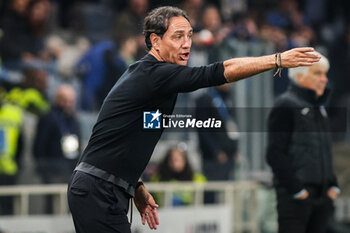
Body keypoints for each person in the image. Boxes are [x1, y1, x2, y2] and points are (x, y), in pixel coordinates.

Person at [67, 6, 321, 233]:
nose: (187, 43)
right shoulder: (156, 75)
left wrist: (137, 185)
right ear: (155, 41)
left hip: (102, 188)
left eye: (189, 35)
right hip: (98, 191)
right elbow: (220, 72)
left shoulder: (150, 78)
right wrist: (276, 59)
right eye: (178, 36)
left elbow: (123, 137)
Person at [266, 51, 339, 233]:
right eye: (317, 73)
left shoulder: (319, 108)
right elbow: (274, 154)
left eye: (325, 74)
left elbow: (324, 152)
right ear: (299, 75)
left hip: (322, 198)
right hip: (296, 199)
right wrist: (298, 191)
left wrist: (333, 184)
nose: (324, 79)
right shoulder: (285, 105)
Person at [33, 84, 81, 185]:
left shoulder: (73, 119)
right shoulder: (48, 118)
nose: (69, 104)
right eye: (65, 101)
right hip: (51, 170)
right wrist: (44, 169)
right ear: (58, 100)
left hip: (70, 169)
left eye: (71, 101)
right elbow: (39, 146)